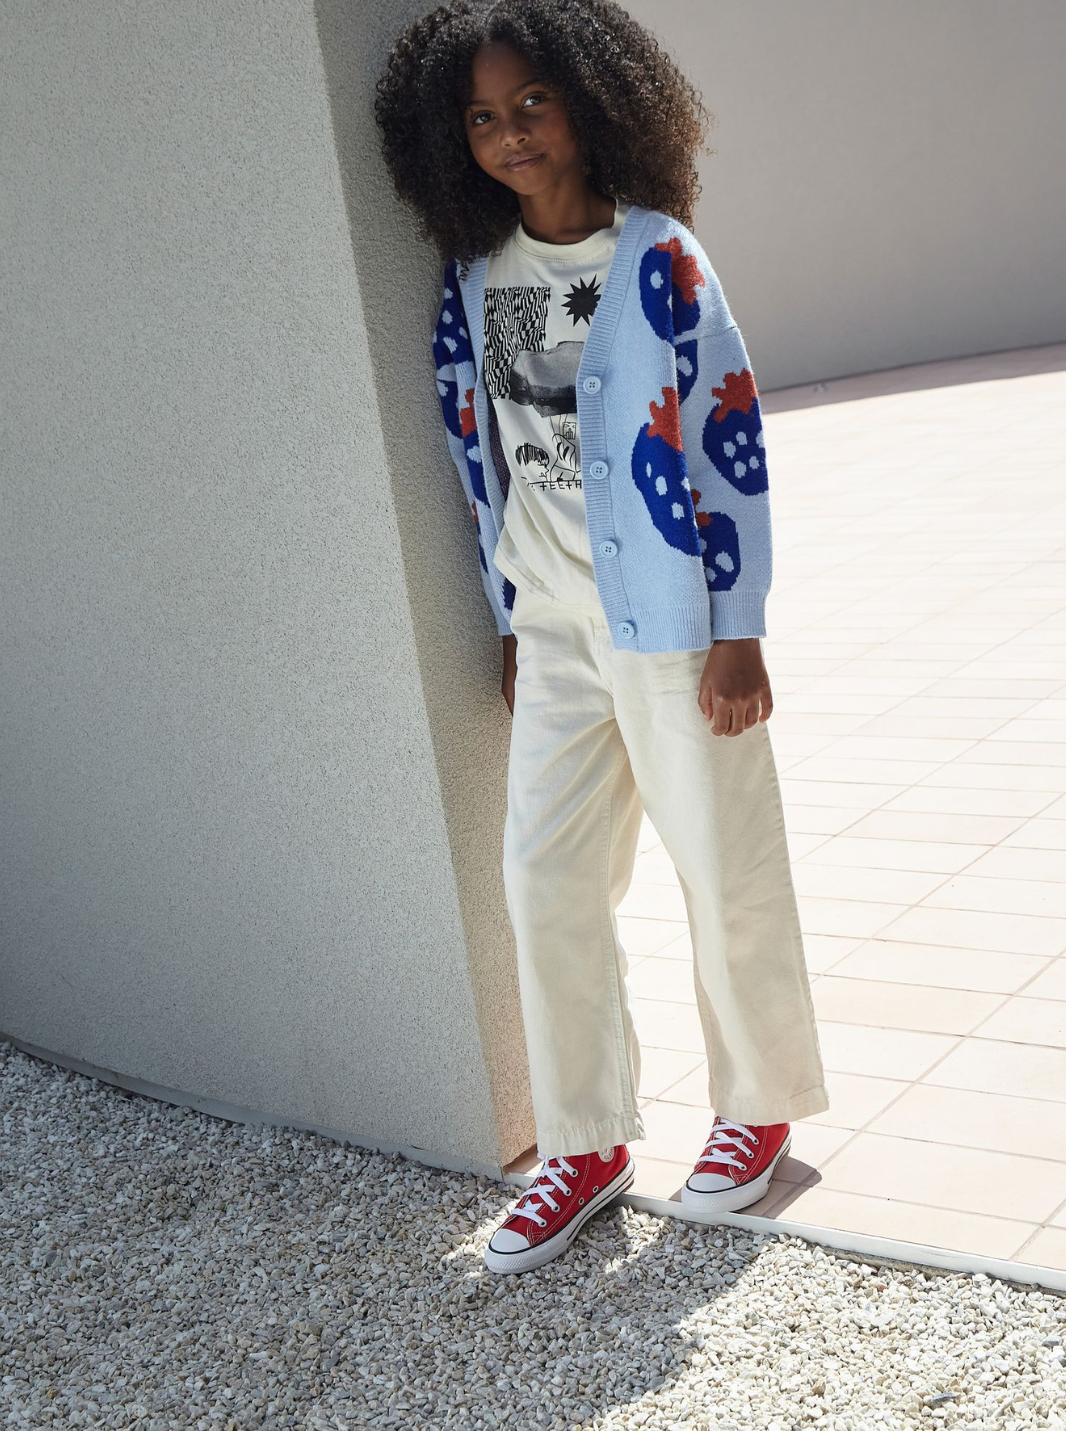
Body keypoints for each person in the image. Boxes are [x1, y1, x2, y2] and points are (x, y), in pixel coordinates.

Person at [375, 0, 829, 1275]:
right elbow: (486, 464)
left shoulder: (662, 260)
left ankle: (756, 1107)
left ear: (591, 99)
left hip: (676, 624)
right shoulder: (471, 286)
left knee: (721, 863)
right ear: (447, 140)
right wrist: (511, 614)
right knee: (544, 881)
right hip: (557, 626)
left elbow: (728, 451)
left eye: (532, 103)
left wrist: (738, 631)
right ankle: (584, 1140)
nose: (511, 134)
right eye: (481, 117)